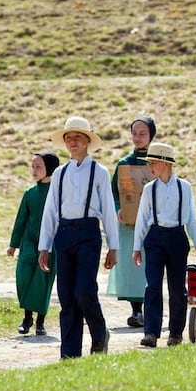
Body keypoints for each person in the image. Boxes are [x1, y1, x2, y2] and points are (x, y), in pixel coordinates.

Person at [37, 116, 119, 359]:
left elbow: (107, 210)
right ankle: (70, 353)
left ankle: (99, 333)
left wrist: (113, 246)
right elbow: (50, 211)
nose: (72, 142)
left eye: (77, 138)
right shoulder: (60, 174)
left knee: (84, 291)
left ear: (87, 141)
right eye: (68, 138)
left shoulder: (100, 172)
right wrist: (44, 246)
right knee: (66, 295)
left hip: (88, 234)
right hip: (63, 234)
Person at [132, 142, 196, 348]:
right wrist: (137, 247)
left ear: (165, 163)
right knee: (152, 285)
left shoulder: (184, 187)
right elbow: (142, 218)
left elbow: (191, 217)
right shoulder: (149, 189)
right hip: (154, 237)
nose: (150, 167)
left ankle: (175, 333)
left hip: (177, 237)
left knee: (177, 288)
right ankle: (151, 332)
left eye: (153, 163)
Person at [107, 116, 156, 328]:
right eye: (134, 133)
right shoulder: (124, 163)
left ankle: (149, 309)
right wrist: (119, 207)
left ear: (151, 136)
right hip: (128, 224)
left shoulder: (158, 162)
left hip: (153, 224)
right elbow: (114, 191)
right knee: (132, 266)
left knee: (150, 264)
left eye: (142, 133)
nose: (138, 137)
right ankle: (136, 311)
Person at [7, 152, 60, 336]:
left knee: (43, 282)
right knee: (24, 277)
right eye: (33, 167)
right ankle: (26, 317)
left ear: (50, 169)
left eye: (39, 167)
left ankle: (40, 322)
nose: (34, 170)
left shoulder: (58, 192)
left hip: (50, 245)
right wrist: (13, 245)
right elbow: (21, 220)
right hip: (28, 244)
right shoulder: (29, 193)